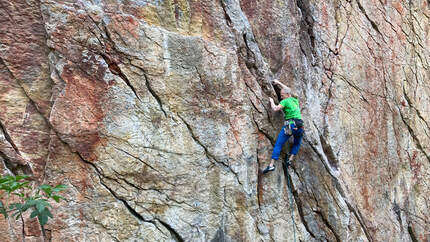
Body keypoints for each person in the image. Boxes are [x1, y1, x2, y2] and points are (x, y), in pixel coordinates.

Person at [263, 80, 304, 173]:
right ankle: (290, 160)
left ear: (287, 95)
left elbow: (275, 108)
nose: (281, 97)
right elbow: (288, 90)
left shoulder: (285, 101)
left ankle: (271, 165)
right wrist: (278, 83)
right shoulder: (295, 99)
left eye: (282, 95)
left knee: (278, 144)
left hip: (290, 124)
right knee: (297, 143)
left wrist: (271, 101)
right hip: (300, 125)